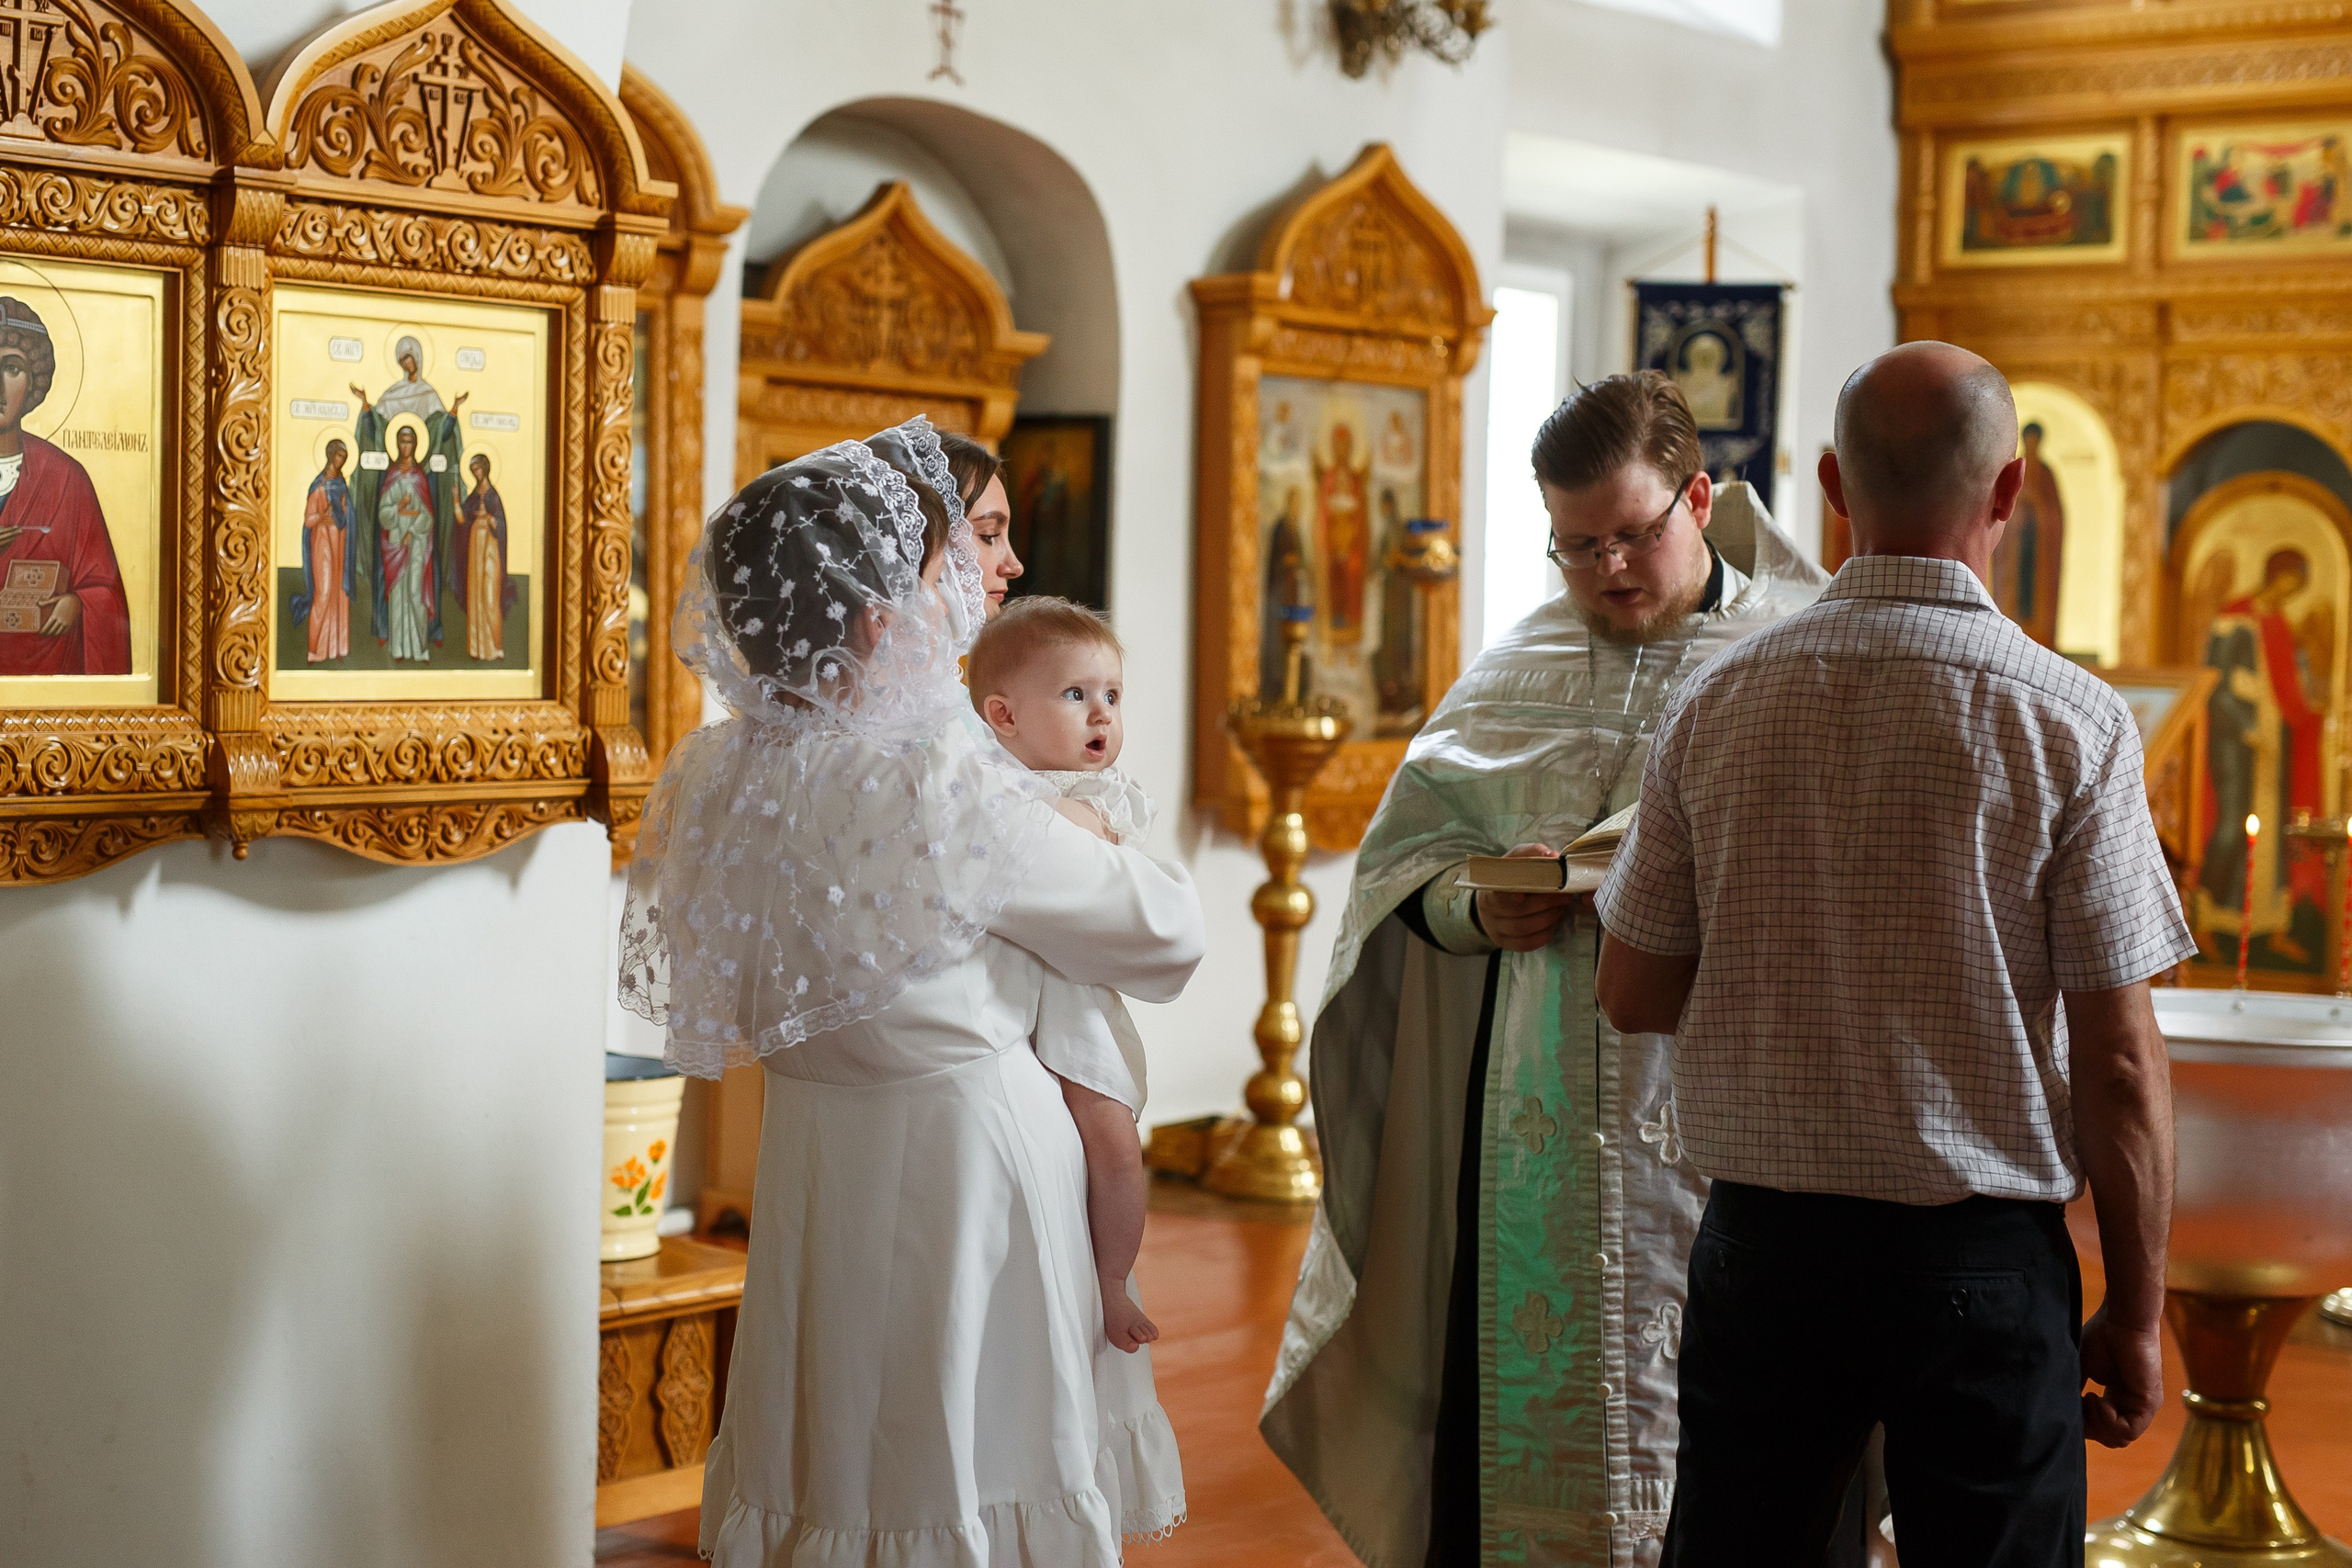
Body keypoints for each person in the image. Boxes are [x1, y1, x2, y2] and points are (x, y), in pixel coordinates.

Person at [1594, 342, 2189, 1565]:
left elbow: (1632, 987)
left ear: (1830, 485)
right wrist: (2135, 1311)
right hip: (1981, 1260)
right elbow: (2123, 1067)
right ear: (2011, 490)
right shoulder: (2072, 722)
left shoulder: (1717, 701)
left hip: (1764, 1250)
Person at [1261, 371, 1829, 1565]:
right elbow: (1402, 869)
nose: (1610, 567)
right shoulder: (1519, 665)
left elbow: (1838, 878)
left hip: (1721, 1101)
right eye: (1578, 545)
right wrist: (1475, 903)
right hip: (1537, 1116)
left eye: (1635, 532)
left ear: (1699, 495)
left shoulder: (1794, 652)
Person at [618, 418, 1203, 1566]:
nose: (972, 590)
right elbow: (1161, 936)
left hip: (816, 1155)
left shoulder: (726, 766)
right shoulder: (938, 771)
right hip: (965, 1158)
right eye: (948, 566)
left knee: (836, 1441)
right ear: (883, 608)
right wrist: (1098, 834)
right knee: (969, 1447)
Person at [0, 296, 130, 677]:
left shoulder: (66, 478)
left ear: (34, 381)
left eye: (11, 368)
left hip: (47, 669)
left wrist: (76, 604)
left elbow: (103, 586)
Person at [373, 424, 438, 661]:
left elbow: (428, 516)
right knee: (398, 593)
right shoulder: (391, 476)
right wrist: (398, 508)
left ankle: (419, 648)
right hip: (395, 542)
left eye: (409, 441)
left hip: (416, 541)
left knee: (415, 591)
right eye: (401, 441)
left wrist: (411, 530)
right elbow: (383, 513)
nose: (405, 446)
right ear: (397, 444)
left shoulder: (419, 477)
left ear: (415, 444)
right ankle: (399, 648)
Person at [293, 439, 355, 663]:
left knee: (339, 594)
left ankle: (336, 648)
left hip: (339, 540)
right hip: (322, 542)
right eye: (338, 456)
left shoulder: (341, 483)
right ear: (330, 455)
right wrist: (323, 515)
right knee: (324, 592)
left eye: (344, 457)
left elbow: (347, 513)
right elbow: (309, 520)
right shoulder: (318, 485)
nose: (341, 461)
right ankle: (316, 649)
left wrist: (345, 511)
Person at [459, 452, 514, 660]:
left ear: (486, 468)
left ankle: (495, 645)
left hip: (491, 549)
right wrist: (456, 501)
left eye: (479, 469)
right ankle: (477, 648)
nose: (477, 473)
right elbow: (461, 519)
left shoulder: (493, 496)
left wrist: (489, 518)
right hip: (475, 546)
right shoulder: (473, 497)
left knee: (490, 595)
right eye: (473, 471)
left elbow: (502, 526)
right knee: (476, 595)